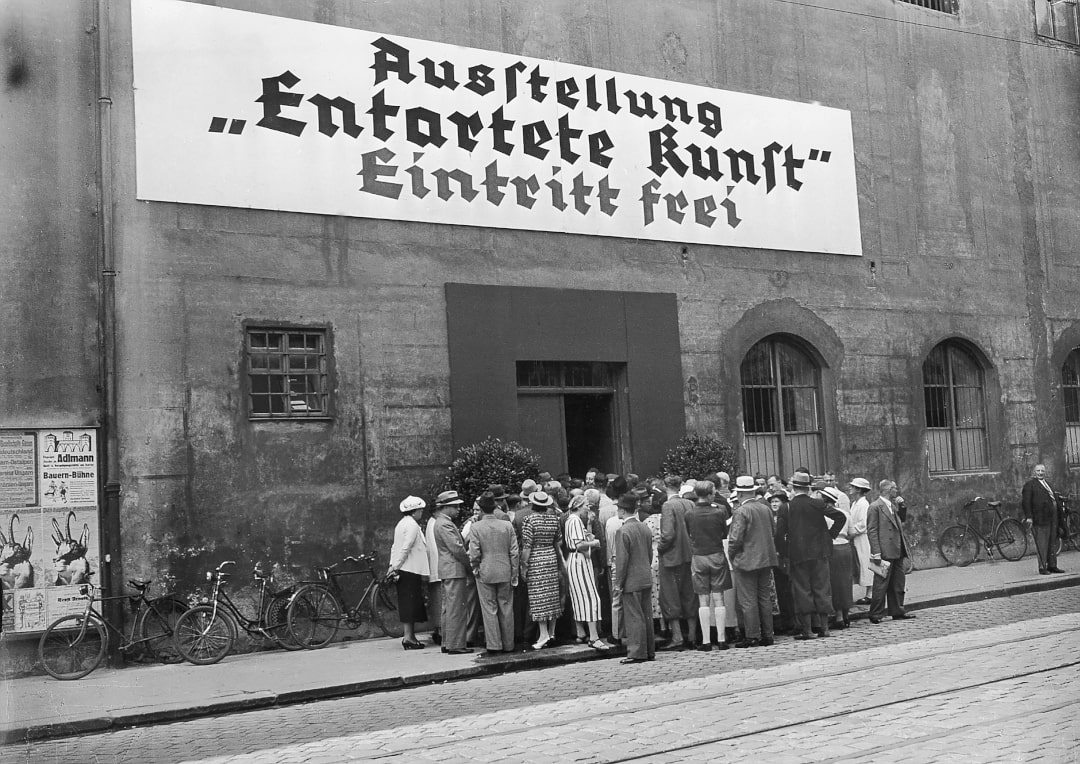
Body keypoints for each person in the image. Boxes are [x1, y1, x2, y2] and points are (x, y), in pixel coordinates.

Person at [775, 471, 847, 640]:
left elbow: (779, 535)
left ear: (794, 487)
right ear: (807, 488)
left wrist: (785, 552)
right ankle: (824, 628)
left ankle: (807, 630)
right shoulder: (818, 503)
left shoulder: (787, 507)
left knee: (802, 590)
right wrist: (830, 536)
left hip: (798, 555)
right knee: (822, 588)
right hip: (820, 553)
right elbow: (840, 517)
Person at [727, 476, 778, 647]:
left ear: (740, 493)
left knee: (748, 599)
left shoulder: (741, 511)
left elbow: (735, 539)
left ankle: (752, 635)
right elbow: (773, 531)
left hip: (747, 559)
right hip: (766, 558)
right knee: (764, 597)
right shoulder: (765, 508)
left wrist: (732, 555)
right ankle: (768, 634)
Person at [468, 491, 520, 655]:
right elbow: (514, 551)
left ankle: (494, 645)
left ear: (481, 509)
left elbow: (474, 552)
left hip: (485, 570)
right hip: (504, 569)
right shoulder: (507, 525)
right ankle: (508, 644)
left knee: (489, 608)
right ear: (495, 506)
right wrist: (514, 571)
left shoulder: (476, 527)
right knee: (506, 607)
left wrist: (475, 567)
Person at [684, 479, 732, 651]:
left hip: (698, 557)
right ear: (710, 494)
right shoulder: (720, 512)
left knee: (703, 599)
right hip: (716, 554)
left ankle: (705, 641)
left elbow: (689, 533)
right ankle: (721, 639)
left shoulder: (690, 514)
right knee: (719, 599)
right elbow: (723, 533)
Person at [432, 494, 479, 654]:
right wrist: (469, 565)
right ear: (445, 507)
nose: (458, 509)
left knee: (448, 608)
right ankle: (456, 645)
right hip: (454, 569)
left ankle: (447, 642)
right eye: (455, 506)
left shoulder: (441, 523)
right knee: (456, 608)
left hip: (448, 569)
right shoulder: (445, 524)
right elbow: (457, 548)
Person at [657, 475, 699, 650]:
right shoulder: (689, 504)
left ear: (666, 487)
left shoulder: (668, 506)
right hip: (689, 555)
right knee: (689, 595)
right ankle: (692, 635)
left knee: (670, 597)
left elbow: (667, 534)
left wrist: (660, 548)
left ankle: (677, 637)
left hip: (671, 557)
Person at [563, 495, 609, 650]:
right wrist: (594, 543)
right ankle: (594, 637)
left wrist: (589, 524)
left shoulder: (573, 520)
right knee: (590, 597)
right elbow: (580, 545)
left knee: (579, 596)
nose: (588, 509)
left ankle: (581, 632)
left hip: (577, 560)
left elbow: (584, 539)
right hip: (579, 561)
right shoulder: (574, 520)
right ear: (579, 506)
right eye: (586, 506)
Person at [614, 493, 655, 663]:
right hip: (645, 575)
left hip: (631, 579)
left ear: (622, 510)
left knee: (634, 617)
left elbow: (622, 561)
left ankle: (637, 652)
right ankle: (649, 650)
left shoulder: (623, 531)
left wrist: (618, 583)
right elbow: (650, 553)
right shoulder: (644, 527)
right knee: (646, 615)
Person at [867, 479, 915, 623]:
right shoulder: (875, 507)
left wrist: (902, 506)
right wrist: (876, 552)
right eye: (894, 488)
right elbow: (872, 531)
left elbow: (900, 520)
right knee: (881, 584)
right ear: (887, 490)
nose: (897, 490)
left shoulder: (892, 506)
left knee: (898, 582)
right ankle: (876, 613)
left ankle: (897, 610)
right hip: (884, 551)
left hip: (897, 549)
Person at [520, 490, 563, 649]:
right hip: (551, 557)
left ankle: (543, 634)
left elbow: (527, 546)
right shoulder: (554, 519)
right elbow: (558, 542)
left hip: (536, 559)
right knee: (552, 596)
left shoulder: (529, 520)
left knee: (538, 598)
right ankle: (551, 633)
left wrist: (524, 566)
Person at [388, 495, 430, 650]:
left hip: (404, 569)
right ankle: (409, 638)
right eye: (420, 510)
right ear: (414, 511)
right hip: (409, 569)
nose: (421, 513)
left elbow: (395, 547)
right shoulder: (412, 525)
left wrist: (392, 565)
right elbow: (406, 547)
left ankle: (410, 636)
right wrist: (396, 566)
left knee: (407, 604)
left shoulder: (401, 524)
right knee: (410, 604)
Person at [820, 487, 854, 630]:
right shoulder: (846, 513)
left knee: (834, 582)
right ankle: (846, 615)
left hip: (832, 548)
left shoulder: (824, 516)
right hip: (846, 547)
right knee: (846, 581)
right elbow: (851, 532)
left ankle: (839, 615)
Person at [1022, 463, 1065, 574]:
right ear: (1034, 472)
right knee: (1042, 543)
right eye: (1038, 471)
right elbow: (1026, 502)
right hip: (1040, 518)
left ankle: (1052, 566)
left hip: (1053, 517)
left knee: (1052, 542)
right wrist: (1029, 517)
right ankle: (1042, 567)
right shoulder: (1030, 485)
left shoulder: (1048, 484)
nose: (1040, 473)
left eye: (1042, 471)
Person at [767, 490, 795, 635]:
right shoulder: (770, 518)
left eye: (777, 501)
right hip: (774, 558)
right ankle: (783, 620)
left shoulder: (787, 517)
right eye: (772, 501)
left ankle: (790, 620)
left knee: (787, 590)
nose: (774, 504)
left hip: (784, 557)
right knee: (778, 591)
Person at [847, 478, 874, 604]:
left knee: (865, 563)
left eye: (853, 487)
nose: (850, 488)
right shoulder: (854, 503)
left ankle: (870, 593)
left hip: (862, 538)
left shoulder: (864, 504)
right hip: (855, 538)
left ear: (858, 490)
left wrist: (853, 531)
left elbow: (863, 523)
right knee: (860, 563)